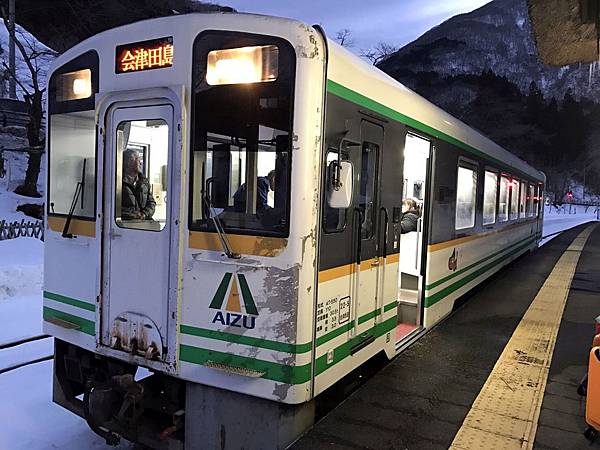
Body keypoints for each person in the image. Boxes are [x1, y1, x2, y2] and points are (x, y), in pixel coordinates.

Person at [121, 149, 156, 220]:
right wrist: (132, 214)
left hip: (143, 224)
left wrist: (144, 214)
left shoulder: (144, 182)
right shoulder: (118, 183)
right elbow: (113, 207)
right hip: (125, 226)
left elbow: (151, 203)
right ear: (129, 162)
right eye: (138, 159)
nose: (141, 163)